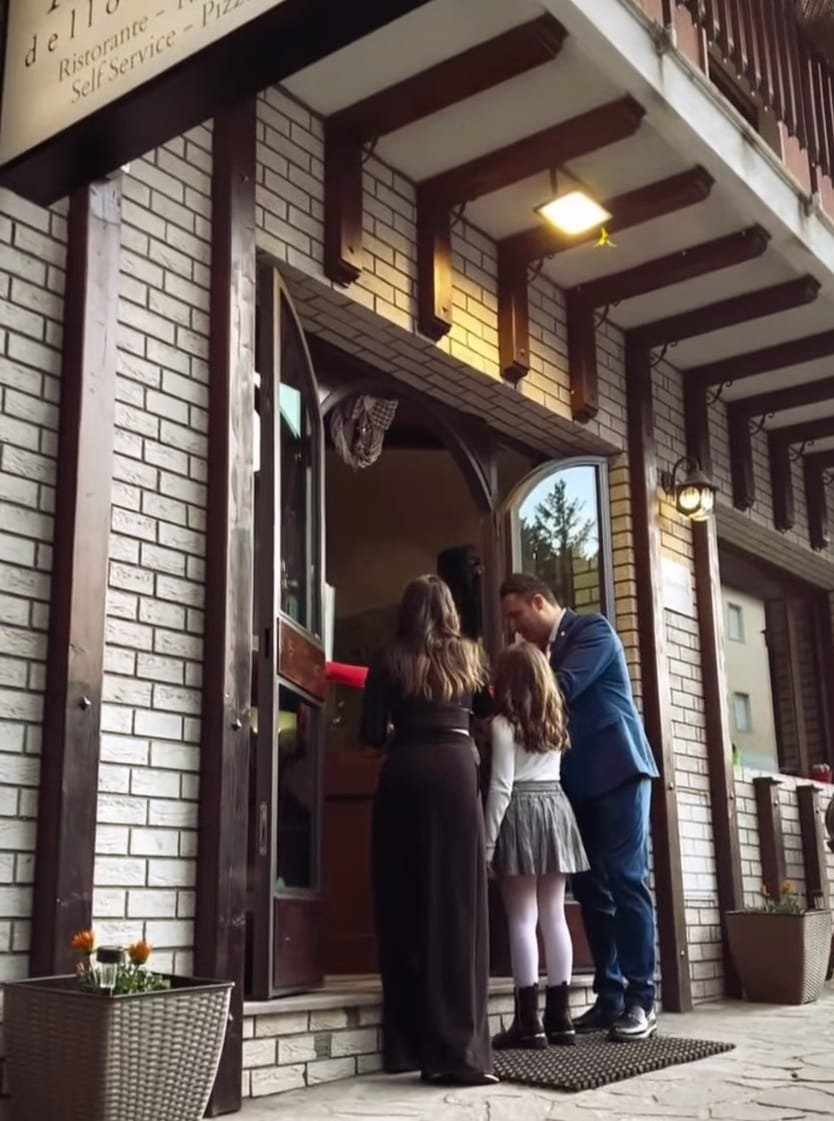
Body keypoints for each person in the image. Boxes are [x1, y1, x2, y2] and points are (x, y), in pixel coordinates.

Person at [499, 573, 660, 1042]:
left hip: (619, 772)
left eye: (516, 615)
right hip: (575, 786)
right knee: (591, 891)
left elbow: (560, 689)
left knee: (627, 881)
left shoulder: (592, 631)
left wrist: (507, 692)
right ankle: (609, 998)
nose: (514, 627)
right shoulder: (542, 651)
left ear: (539, 602)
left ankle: (641, 1000)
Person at [360, 575, 498, 1086]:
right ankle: (458, 1052)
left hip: (404, 772)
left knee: (402, 903)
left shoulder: (389, 658)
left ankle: (405, 1046)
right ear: (449, 611)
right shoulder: (470, 656)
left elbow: (371, 733)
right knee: (458, 908)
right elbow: (488, 710)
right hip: (456, 773)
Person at [485, 642, 589, 1050]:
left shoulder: (502, 725)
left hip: (521, 812)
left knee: (522, 918)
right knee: (554, 916)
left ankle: (528, 1024)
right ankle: (560, 1019)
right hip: (556, 809)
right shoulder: (556, 720)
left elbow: (500, 787)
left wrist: (487, 844)